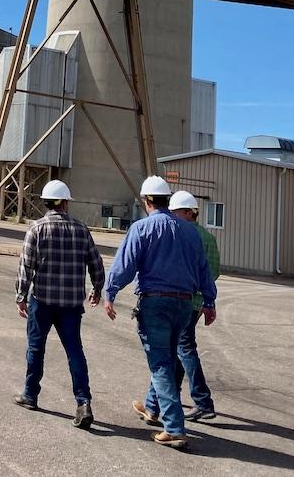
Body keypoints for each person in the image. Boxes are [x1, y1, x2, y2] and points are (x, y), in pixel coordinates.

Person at [104, 175, 217, 450]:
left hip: (155, 304)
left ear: (146, 201)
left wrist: (110, 291)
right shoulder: (190, 232)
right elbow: (204, 270)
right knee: (167, 358)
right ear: (168, 199)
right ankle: (152, 407)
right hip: (183, 305)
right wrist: (210, 302)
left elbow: (126, 264)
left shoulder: (142, 228)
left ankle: (175, 428)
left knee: (161, 364)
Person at [13, 180, 105, 429]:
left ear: (46, 202)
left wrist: (21, 296)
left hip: (42, 301)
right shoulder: (81, 229)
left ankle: (30, 395)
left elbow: (26, 265)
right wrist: (97, 288)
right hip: (71, 306)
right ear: (64, 202)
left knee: (36, 348)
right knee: (75, 351)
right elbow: (96, 263)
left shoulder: (37, 229)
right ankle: (83, 402)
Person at [142, 190, 219, 423]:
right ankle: (156, 402)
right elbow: (213, 271)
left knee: (181, 349)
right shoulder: (208, 237)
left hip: (181, 300)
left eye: (175, 212)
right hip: (194, 302)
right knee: (174, 349)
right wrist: (206, 299)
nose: (171, 216)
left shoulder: (180, 233)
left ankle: (202, 401)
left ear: (187, 212)